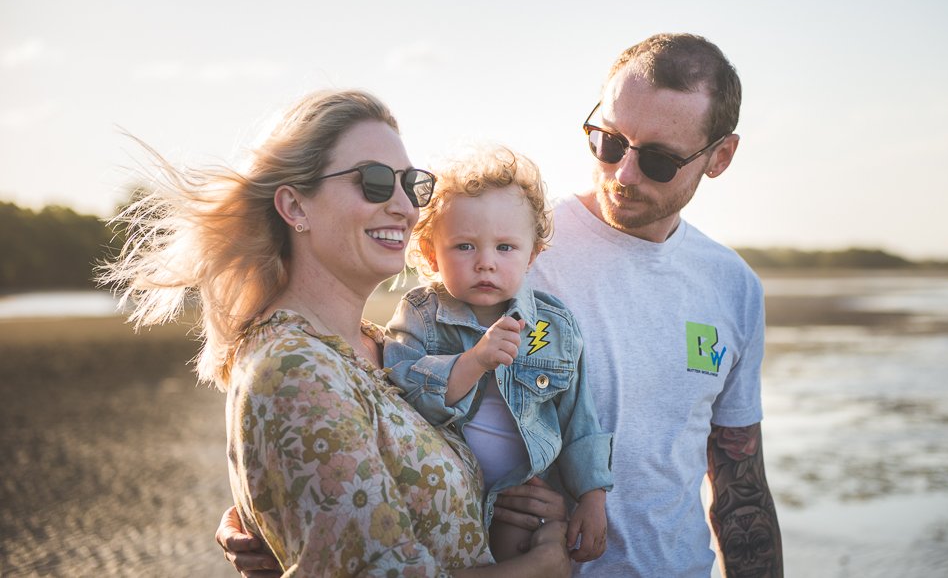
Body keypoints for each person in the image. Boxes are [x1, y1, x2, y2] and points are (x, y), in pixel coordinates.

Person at [219, 32, 783, 577]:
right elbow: (375, 412)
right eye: (608, 141)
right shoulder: (499, 247)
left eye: (658, 159)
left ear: (720, 157)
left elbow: (741, 486)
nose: (623, 172)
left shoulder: (731, 287)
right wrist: (276, 509)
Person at [105, 89, 571, 576]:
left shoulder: (376, 344)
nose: (404, 208)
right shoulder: (293, 369)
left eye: (411, 185)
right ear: (294, 206)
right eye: (372, 182)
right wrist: (541, 568)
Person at [382, 146, 613, 563]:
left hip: (521, 497)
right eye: (465, 246)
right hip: (443, 499)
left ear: (532, 256)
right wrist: (473, 362)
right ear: (433, 253)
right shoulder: (420, 315)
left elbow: (579, 418)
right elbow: (400, 397)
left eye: (505, 248)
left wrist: (592, 498)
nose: (485, 263)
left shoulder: (550, 327)